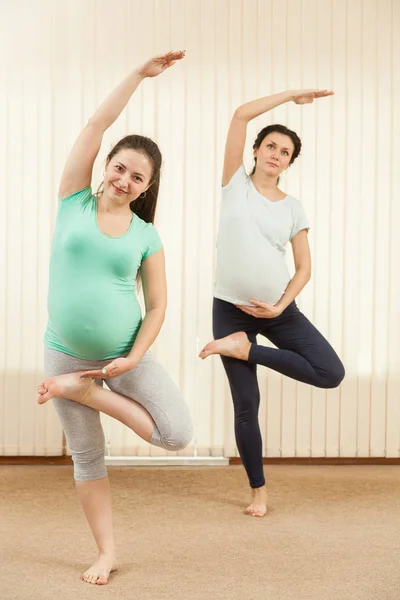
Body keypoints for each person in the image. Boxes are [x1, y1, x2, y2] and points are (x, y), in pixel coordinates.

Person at [37, 51, 193, 585]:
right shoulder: (72, 201)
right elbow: (97, 123)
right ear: (107, 167)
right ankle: (106, 551)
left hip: (123, 357)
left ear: (146, 188)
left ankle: (83, 390)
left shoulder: (147, 236)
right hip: (64, 350)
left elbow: (157, 306)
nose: (125, 179)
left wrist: (133, 358)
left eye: (137, 177)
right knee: (88, 455)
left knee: (176, 434)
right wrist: (136, 76)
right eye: (120, 168)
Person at [199, 89, 345, 518]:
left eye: (285, 151)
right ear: (257, 151)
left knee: (330, 372)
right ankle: (258, 492)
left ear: (289, 162)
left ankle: (246, 349)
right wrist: (293, 96)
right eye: (271, 146)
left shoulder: (294, 208)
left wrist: (281, 307)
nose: (277, 155)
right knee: (247, 405)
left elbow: (303, 268)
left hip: (279, 312)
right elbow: (240, 113)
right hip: (229, 308)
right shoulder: (234, 185)